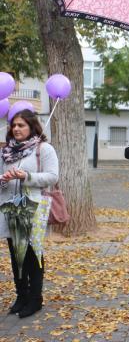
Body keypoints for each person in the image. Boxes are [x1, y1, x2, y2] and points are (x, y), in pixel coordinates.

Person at [0, 109, 59, 318]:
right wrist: (3, 179)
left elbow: (52, 176)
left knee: (32, 255)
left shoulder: (43, 149)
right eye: (14, 125)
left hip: (32, 209)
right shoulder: (6, 151)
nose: (16, 129)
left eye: (21, 125)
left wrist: (26, 176)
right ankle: (21, 296)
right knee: (16, 256)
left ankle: (35, 299)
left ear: (31, 126)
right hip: (9, 209)